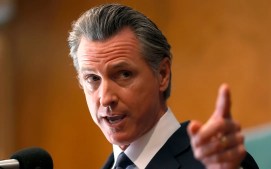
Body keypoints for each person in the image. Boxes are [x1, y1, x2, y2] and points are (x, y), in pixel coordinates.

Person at [67, 3, 258, 169]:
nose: (106, 97)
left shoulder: (210, 163)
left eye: (124, 74)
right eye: (92, 78)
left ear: (162, 74)